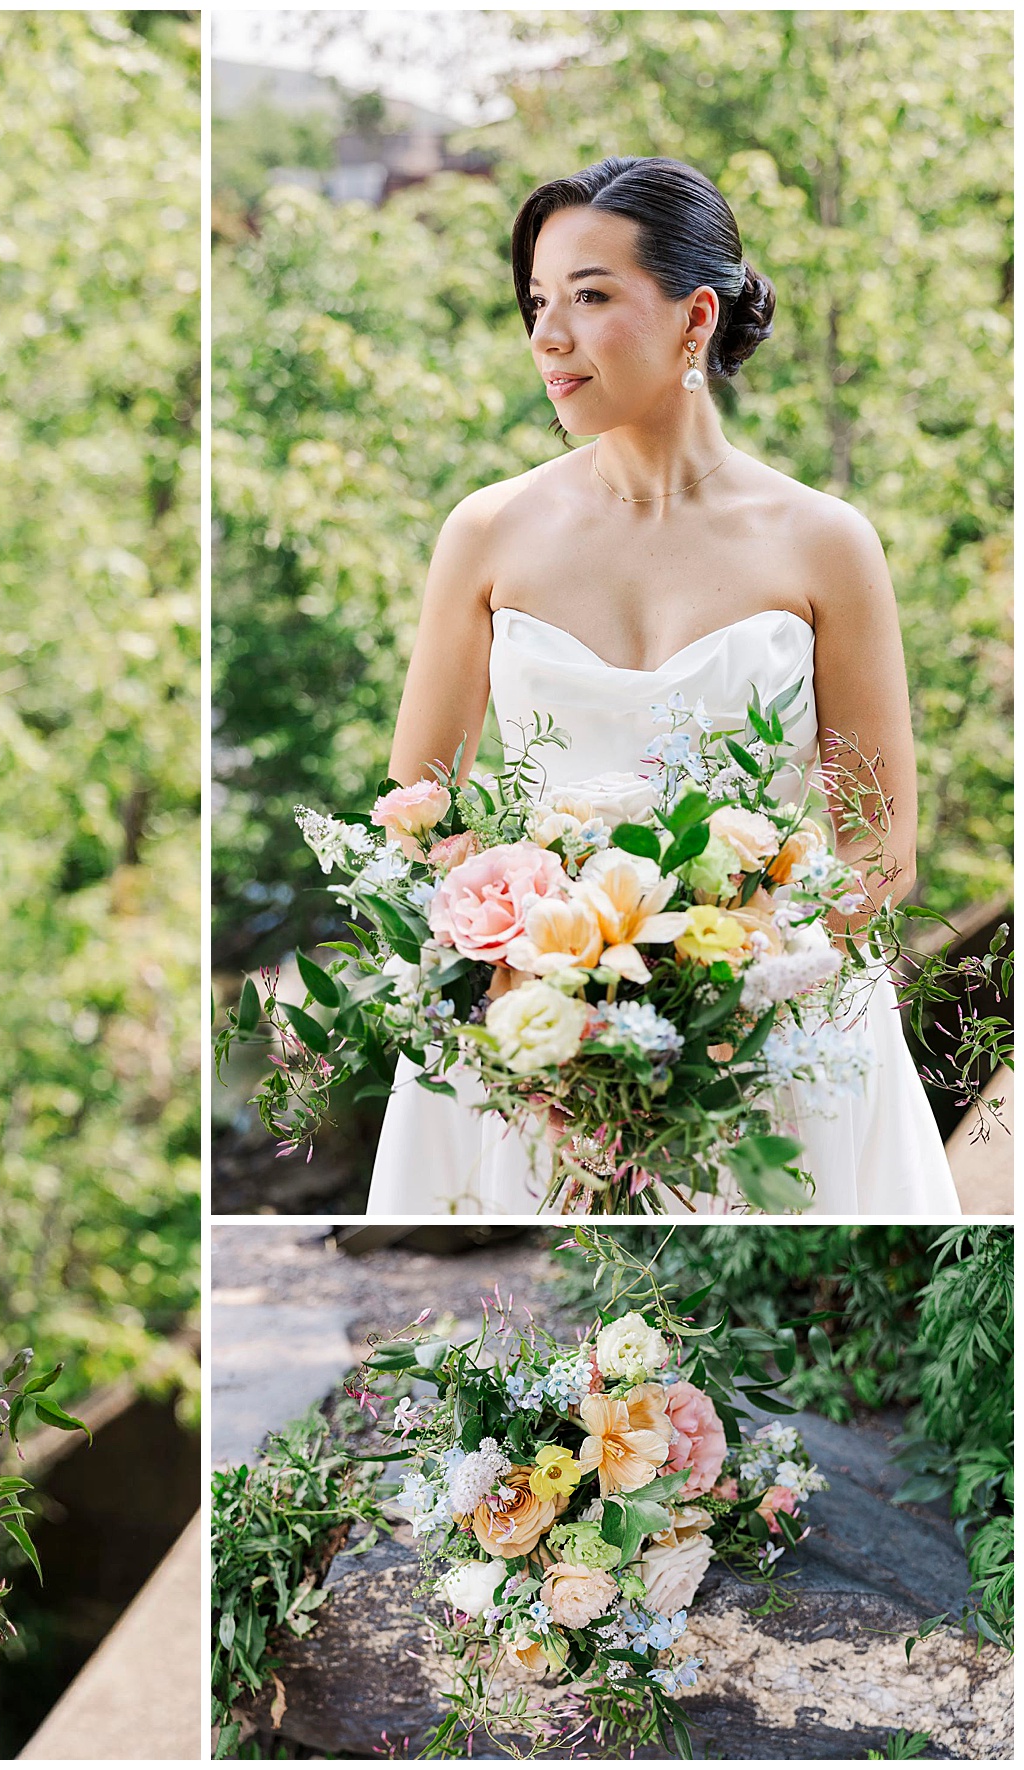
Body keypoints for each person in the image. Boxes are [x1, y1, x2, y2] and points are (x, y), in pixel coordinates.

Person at [367, 157, 961, 1217]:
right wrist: (546, 995)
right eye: (537, 302)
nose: (547, 336)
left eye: (588, 297)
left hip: (776, 1042)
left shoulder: (825, 543)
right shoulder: (485, 533)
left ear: (694, 317)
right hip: (524, 1036)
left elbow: (878, 847)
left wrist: (717, 1000)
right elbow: (418, 815)